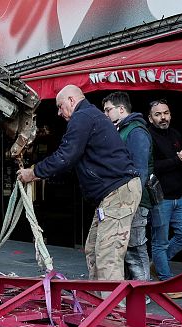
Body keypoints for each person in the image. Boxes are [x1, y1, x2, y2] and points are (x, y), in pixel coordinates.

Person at [17, 84, 141, 282]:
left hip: (118, 192)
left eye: (60, 106)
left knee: (107, 255)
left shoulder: (82, 117)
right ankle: (99, 303)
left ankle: (113, 310)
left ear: (72, 101)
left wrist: (33, 173)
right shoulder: (89, 116)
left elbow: (65, 157)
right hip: (111, 194)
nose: (59, 113)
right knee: (93, 249)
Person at [147, 99, 182, 298]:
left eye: (166, 113)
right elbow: (152, 167)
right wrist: (178, 160)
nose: (163, 117)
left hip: (179, 197)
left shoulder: (176, 134)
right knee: (159, 242)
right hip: (160, 198)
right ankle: (165, 282)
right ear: (150, 118)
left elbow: (178, 158)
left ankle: (158, 263)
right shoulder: (148, 137)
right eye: (158, 114)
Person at [102, 91, 152, 282]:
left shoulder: (136, 131)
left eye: (108, 110)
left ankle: (141, 291)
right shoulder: (124, 129)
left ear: (121, 109)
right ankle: (135, 290)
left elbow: (140, 171)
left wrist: (132, 201)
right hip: (127, 199)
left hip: (134, 200)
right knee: (128, 246)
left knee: (135, 246)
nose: (105, 114)